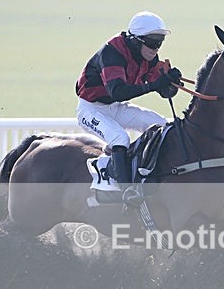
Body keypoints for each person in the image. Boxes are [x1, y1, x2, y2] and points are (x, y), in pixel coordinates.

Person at [75, 11, 182, 188]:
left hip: (115, 107)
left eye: (159, 42)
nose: (155, 48)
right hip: (90, 109)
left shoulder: (148, 56)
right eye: (151, 42)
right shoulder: (111, 54)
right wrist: (155, 85)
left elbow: (164, 92)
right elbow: (118, 92)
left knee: (161, 126)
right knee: (120, 139)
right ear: (134, 39)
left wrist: (170, 83)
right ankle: (126, 191)